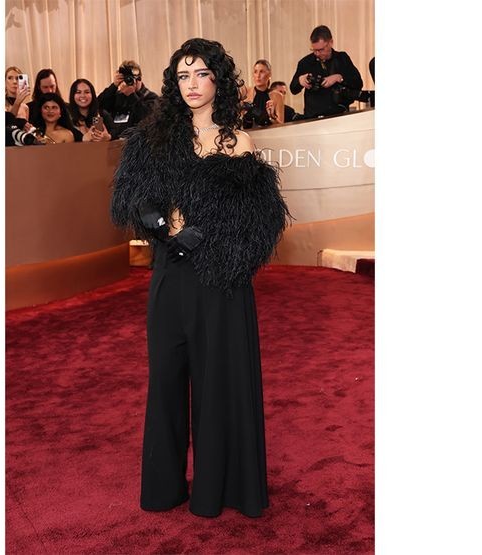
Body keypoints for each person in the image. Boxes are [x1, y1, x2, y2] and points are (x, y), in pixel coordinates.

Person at [110, 37, 290, 519]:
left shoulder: (238, 141)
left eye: (202, 73)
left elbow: (256, 221)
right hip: (170, 276)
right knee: (166, 380)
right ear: (174, 83)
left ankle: (220, 488)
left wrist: (203, 234)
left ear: (218, 80)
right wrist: (162, 226)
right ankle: (164, 488)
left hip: (220, 282)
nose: (192, 84)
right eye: (183, 75)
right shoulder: (154, 138)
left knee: (220, 383)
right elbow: (136, 197)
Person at [289, 25, 363, 118]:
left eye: (321, 50)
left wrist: (339, 77)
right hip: (313, 117)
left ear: (331, 43)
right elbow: (293, 89)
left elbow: (358, 83)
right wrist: (300, 80)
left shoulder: (342, 58)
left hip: (339, 115)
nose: (317, 54)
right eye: (314, 50)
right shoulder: (305, 62)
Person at [97, 60, 160, 138]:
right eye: (126, 78)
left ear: (139, 78)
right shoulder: (118, 96)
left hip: (140, 144)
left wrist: (132, 96)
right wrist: (113, 86)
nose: (128, 81)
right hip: (115, 144)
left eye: (131, 78)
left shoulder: (151, 97)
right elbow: (98, 106)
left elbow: (147, 118)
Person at [240, 59, 284, 128]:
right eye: (255, 72)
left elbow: (281, 125)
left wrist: (271, 118)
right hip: (249, 135)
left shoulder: (277, 96)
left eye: (262, 72)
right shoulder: (246, 92)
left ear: (269, 74)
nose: (258, 75)